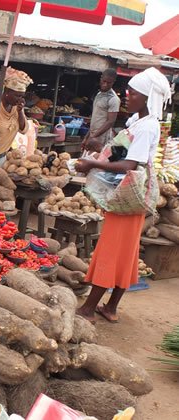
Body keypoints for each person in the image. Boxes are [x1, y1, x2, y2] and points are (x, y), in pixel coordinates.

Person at [75, 67, 171, 323]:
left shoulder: (148, 127)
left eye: (134, 93)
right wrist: (100, 149)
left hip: (130, 197)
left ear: (147, 98)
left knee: (112, 250)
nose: (128, 96)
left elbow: (130, 166)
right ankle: (111, 308)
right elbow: (124, 155)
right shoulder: (138, 122)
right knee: (126, 252)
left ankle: (89, 309)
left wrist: (93, 164)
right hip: (129, 196)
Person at [83, 68, 120, 151]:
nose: (105, 84)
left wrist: (93, 136)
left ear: (113, 82)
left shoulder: (113, 99)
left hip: (102, 138)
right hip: (93, 135)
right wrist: (87, 137)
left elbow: (110, 122)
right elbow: (95, 118)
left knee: (97, 160)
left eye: (109, 83)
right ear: (101, 78)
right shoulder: (99, 95)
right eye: (104, 81)